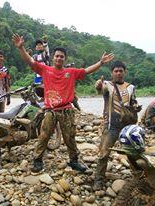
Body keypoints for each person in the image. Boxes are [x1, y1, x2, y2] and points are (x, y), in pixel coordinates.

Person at [12, 33, 114, 173]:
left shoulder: (70, 72)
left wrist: (101, 63)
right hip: (50, 110)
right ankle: (37, 160)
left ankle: (74, 161)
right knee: (44, 135)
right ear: (53, 58)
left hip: (66, 109)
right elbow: (30, 61)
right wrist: (20, 48)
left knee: (70, 137)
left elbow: (87, 71)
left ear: (65, 59)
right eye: (57, 56)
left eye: (62, 56)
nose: (59, 58)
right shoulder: (45, 70)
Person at [93, 61, 140, 190]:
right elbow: (100, 89)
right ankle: (98, 179)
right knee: (104, 153)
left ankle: (140, 176)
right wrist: (98, 85)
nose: (118, 73)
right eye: (116, 71)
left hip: (127, 126)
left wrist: (136, 107)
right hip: (111, 125)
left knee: (134, 152)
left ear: (125, 72)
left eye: (121, 71)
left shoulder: (131, 87)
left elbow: (133, 101)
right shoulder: (107, 85)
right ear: (112, 73)